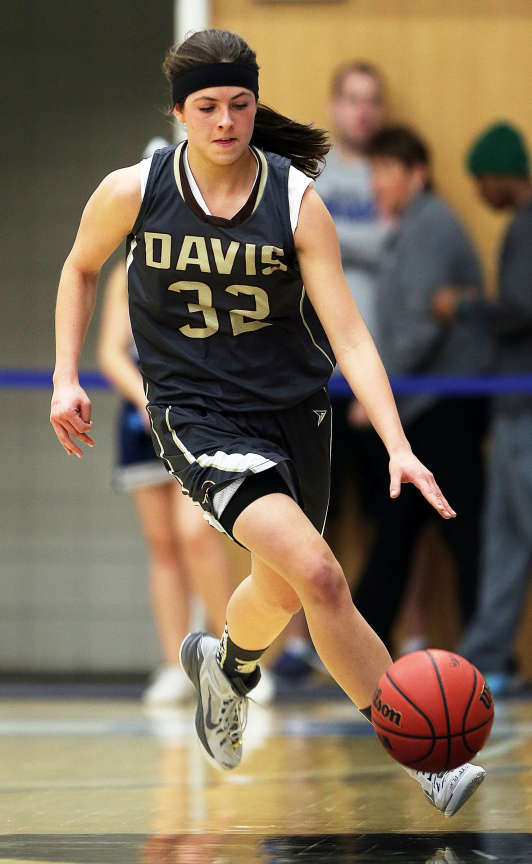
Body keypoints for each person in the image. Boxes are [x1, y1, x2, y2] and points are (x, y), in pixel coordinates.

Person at [50, 28, 484, 815]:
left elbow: (348, 333)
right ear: (181, 112)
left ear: (256, 104)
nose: (225, 121)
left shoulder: (292, 199)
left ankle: (227, 668)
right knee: (320, 574)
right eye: (208, 106)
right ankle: (425, 751)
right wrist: (63, 376)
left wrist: (397, 443)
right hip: (197, 414)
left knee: (280, 590)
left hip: (295, 413)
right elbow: (80, 267)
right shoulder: (135, 190)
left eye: (240, 104)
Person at [351, 125, 492, 652]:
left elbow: (419, 328)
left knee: (457, 531)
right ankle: (361, 647)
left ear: (418, 174)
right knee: (403, 529)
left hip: (441, 405)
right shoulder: (412, 227)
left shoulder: (430, 227)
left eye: (388, 171)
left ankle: (488, 649)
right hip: (427, 404)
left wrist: (375, 397)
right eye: (373, 172)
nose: (377, 184)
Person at [272, 61, 390, 682]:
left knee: (389, 517)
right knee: (305, 523)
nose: (363, 112)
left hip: (376, 377)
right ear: (335, 105)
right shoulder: (305, 180)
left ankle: (397, 634)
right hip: (311, 376)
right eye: (352, 100)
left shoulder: (396, 174)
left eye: (373, 101)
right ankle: (294, 648)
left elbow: (404, 270)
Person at [98, 242, 234, 705]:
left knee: (196, 534)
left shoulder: (207, 261)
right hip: (144, 419)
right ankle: (176, 663)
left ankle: (237, 664)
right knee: (163, 547)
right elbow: (111, 353)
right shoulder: (126, 270)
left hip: (201, 415)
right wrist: (148, 401)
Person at [433, 122, 532, 696]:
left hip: (523, 409)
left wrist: (464, 307)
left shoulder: (525, 226)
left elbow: (520, 308)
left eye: (480, 181)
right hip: (512, 406)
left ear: (499, 176)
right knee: (505, 539)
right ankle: (487, 655)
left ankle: (488, 653)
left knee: (512, 535)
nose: (478, 194)